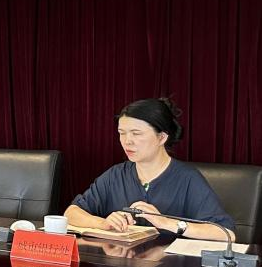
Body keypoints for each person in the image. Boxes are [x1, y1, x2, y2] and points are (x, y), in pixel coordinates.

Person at [65, 98, 234, 241]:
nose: (127, 141)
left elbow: (226, 233)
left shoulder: (188, 178)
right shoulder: (115, 175)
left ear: (162, 137)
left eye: (136, 133)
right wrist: (103, 223)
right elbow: (71, 213)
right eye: (121, 133)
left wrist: (166, 223)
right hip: (120, 265)